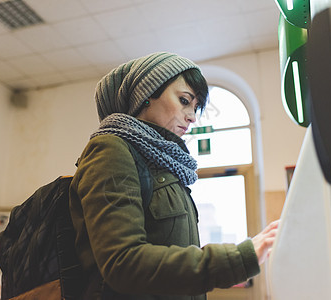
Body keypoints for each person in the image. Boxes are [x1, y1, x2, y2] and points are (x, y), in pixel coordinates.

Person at [69, 52, 278, 299]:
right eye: (183, 100)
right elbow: (122, 263)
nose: (192, 116)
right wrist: (238, 258)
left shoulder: (164, 164)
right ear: (146, 95)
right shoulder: (111, 149)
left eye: (195, 106)